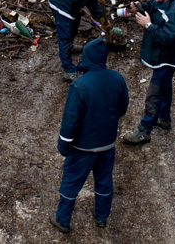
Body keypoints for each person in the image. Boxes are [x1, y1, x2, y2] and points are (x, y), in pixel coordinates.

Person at [51, 38, 129, 233]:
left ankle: (63, 219)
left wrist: (63, 146)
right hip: (107, 143)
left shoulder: (79, 85)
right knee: (104, 180)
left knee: (72, 181)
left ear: (87, 57)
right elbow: (123, 107)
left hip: (82, 147)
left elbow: (70, 121)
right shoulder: (117, 78)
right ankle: (102, 217)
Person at [122, 0, 175, 145]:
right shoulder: (161, 0)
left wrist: (148, 25)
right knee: (165, 87)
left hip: (167, 57)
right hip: (162, 56)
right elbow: (152, 5)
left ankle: (145, 130)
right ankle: (164, 119)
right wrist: (141, 6)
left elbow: (168, 37)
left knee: (154, 93)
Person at [48, 0, 117, 81]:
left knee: (75, 23)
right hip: (62, 2)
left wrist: (101, 18)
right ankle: (68, 70)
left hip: (71, 2)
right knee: (65, 35)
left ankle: (71, 46)